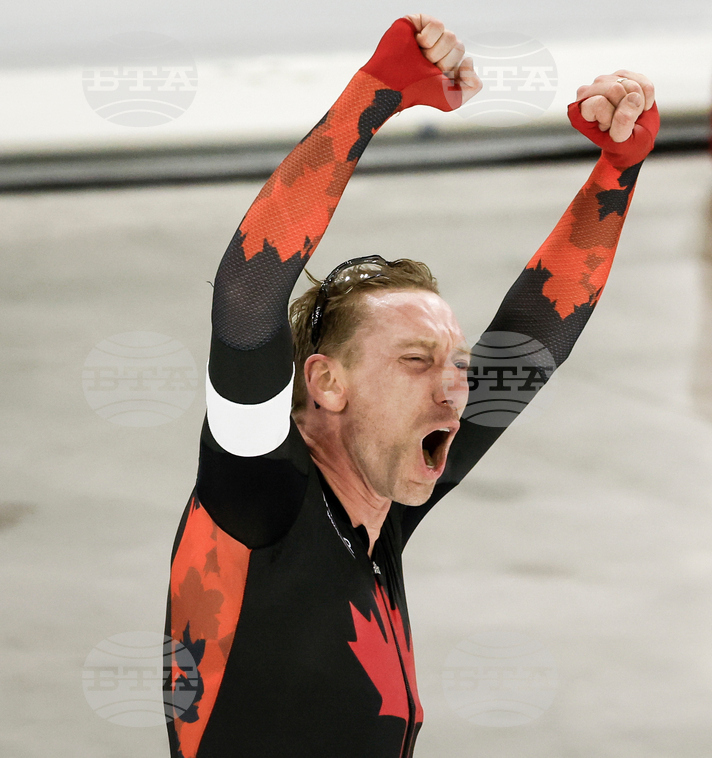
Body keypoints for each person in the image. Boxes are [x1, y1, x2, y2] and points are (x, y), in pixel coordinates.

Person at [164, 14, 658, 758]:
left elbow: (526, 349)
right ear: (326, 383)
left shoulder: (376, 513)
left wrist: (618, 171)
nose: (454, 389)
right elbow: (246, 295)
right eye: (416, 361)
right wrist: (376, 94)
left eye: (456, 365)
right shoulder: (259, 499)